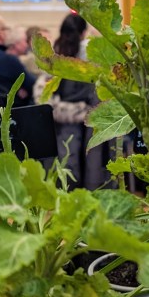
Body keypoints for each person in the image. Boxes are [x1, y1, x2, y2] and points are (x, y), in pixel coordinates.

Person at [34, 14, 110, 189]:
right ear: (84, 32)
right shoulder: (96, 57)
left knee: (67, 164)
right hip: (93, 120)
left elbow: (43, 96)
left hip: (62, 124)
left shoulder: (54, 57)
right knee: (93, 166)